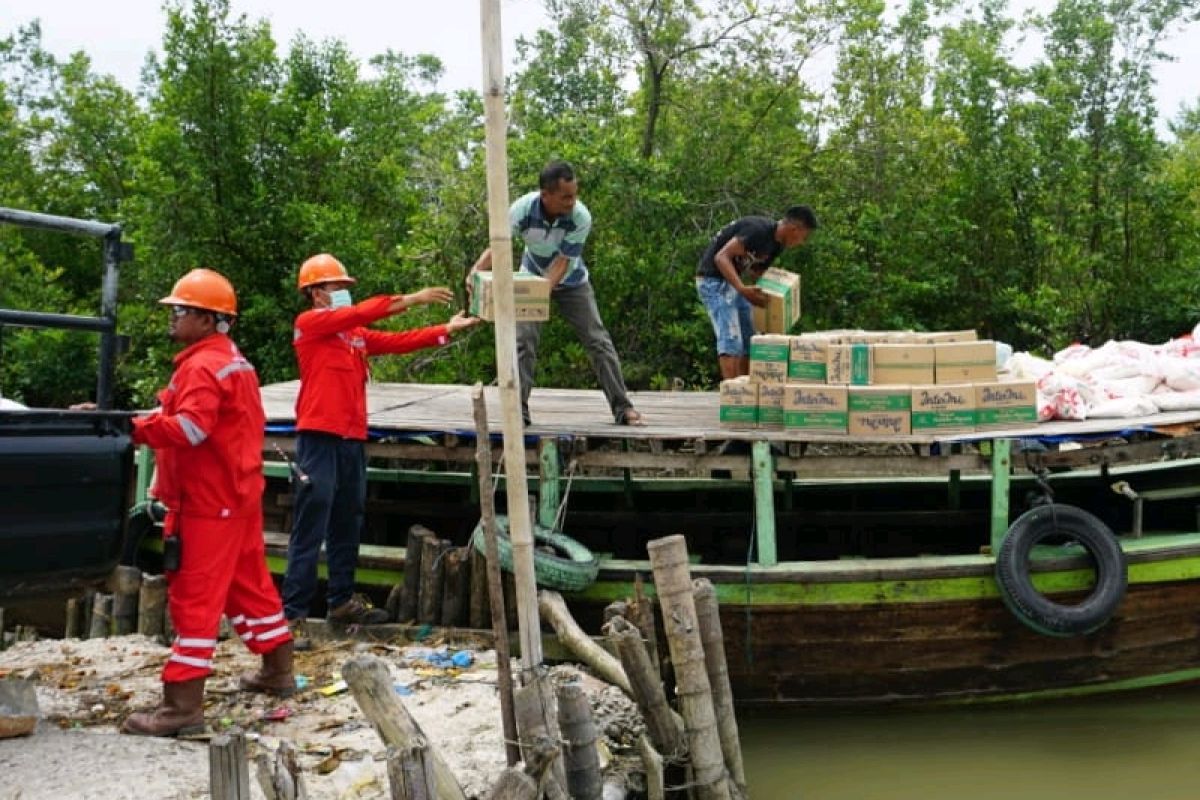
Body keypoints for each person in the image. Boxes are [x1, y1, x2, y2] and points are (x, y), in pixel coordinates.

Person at [120, 268, 295, 737]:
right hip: (235, 496)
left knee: (194, 603)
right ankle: (278, 672)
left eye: (180, 310)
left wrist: (132, 429)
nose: (172, 317)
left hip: (207, 502)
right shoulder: (228, 360)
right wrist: (131, 418)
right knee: (250, 586)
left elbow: (190, 429)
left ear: (208, 317)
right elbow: (188, 418)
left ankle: (181, 708)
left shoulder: (200, 366)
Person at [282, 253, 480, 642]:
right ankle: (292, 616)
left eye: (344, 288)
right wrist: (413, 299)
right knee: (310, 525)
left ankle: (340, 601)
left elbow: (397, 341)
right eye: (337, 288)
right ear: (316, 292)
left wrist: (446, 329)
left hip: (352, 438)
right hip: (319, 437)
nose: (343, 294)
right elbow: (363, 315)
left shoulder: (352, 336)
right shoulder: (310, 325)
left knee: (347, 519)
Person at [469, 160, 643, 426]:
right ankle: (519, 411)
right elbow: (499, 245)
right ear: (546, 195)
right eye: (565, 197)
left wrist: (539, 294)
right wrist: (477, 271)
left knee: (598, 341)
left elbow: (562, 263)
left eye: (574, 195)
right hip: (531, 274)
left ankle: (623, 408)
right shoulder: (522, 210)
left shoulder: (580, 217)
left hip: (573, 281)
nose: (572, 202)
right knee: (523, 341)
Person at [696, 206, 819, 379]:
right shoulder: (758, 230)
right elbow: (721, 257)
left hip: (734, 283)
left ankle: (746, 389)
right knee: (731, 338)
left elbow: (757, 272)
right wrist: (742, 289)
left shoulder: (777, 246)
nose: (801, 242)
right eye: (803, 237)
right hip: (713, 281)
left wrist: (777, 293)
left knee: (750, 338)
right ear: (794, 229)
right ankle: (733, 395)